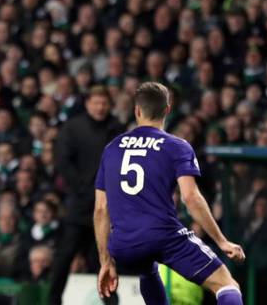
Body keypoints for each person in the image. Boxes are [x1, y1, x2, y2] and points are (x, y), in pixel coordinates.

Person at [94, 82, 246, 305]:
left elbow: (100, 209)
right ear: (167, 109)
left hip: (123, 245)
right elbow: (191, 198)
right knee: (227, 285)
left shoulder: (112, 148)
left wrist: (105, 261)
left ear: (137, 110)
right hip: (163, 235)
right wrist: (221, 241)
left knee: (147, 269)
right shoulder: (177, 146)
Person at [48, 85, 124, 304]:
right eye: (96, 102)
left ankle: (112, 301)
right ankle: (53, 301)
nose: (100, 107)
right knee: (64, 258)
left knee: (103, 259)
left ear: (109, 105)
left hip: (107, 207)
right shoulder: (72, 128)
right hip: (80, 205)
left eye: (104, 103)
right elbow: (62, 161)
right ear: (88, 103)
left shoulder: (116, 128)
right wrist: (82, 188)